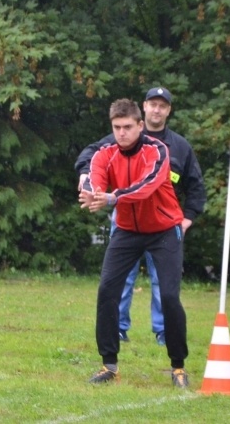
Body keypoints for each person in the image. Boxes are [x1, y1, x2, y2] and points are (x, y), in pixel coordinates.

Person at [75, 87, 206, 346]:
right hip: (125, 223)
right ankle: (119, 329)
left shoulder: (176, 146)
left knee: (163, 285)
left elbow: (196, 186)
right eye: (152, 104)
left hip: (162, 225)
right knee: (118, 281)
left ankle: (163, 331)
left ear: (168, 111)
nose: (157, 109)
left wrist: (188, 217)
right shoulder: (120, 136)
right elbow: (93, 157)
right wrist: (87, 179)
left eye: (162, 105)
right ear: (144, 108)